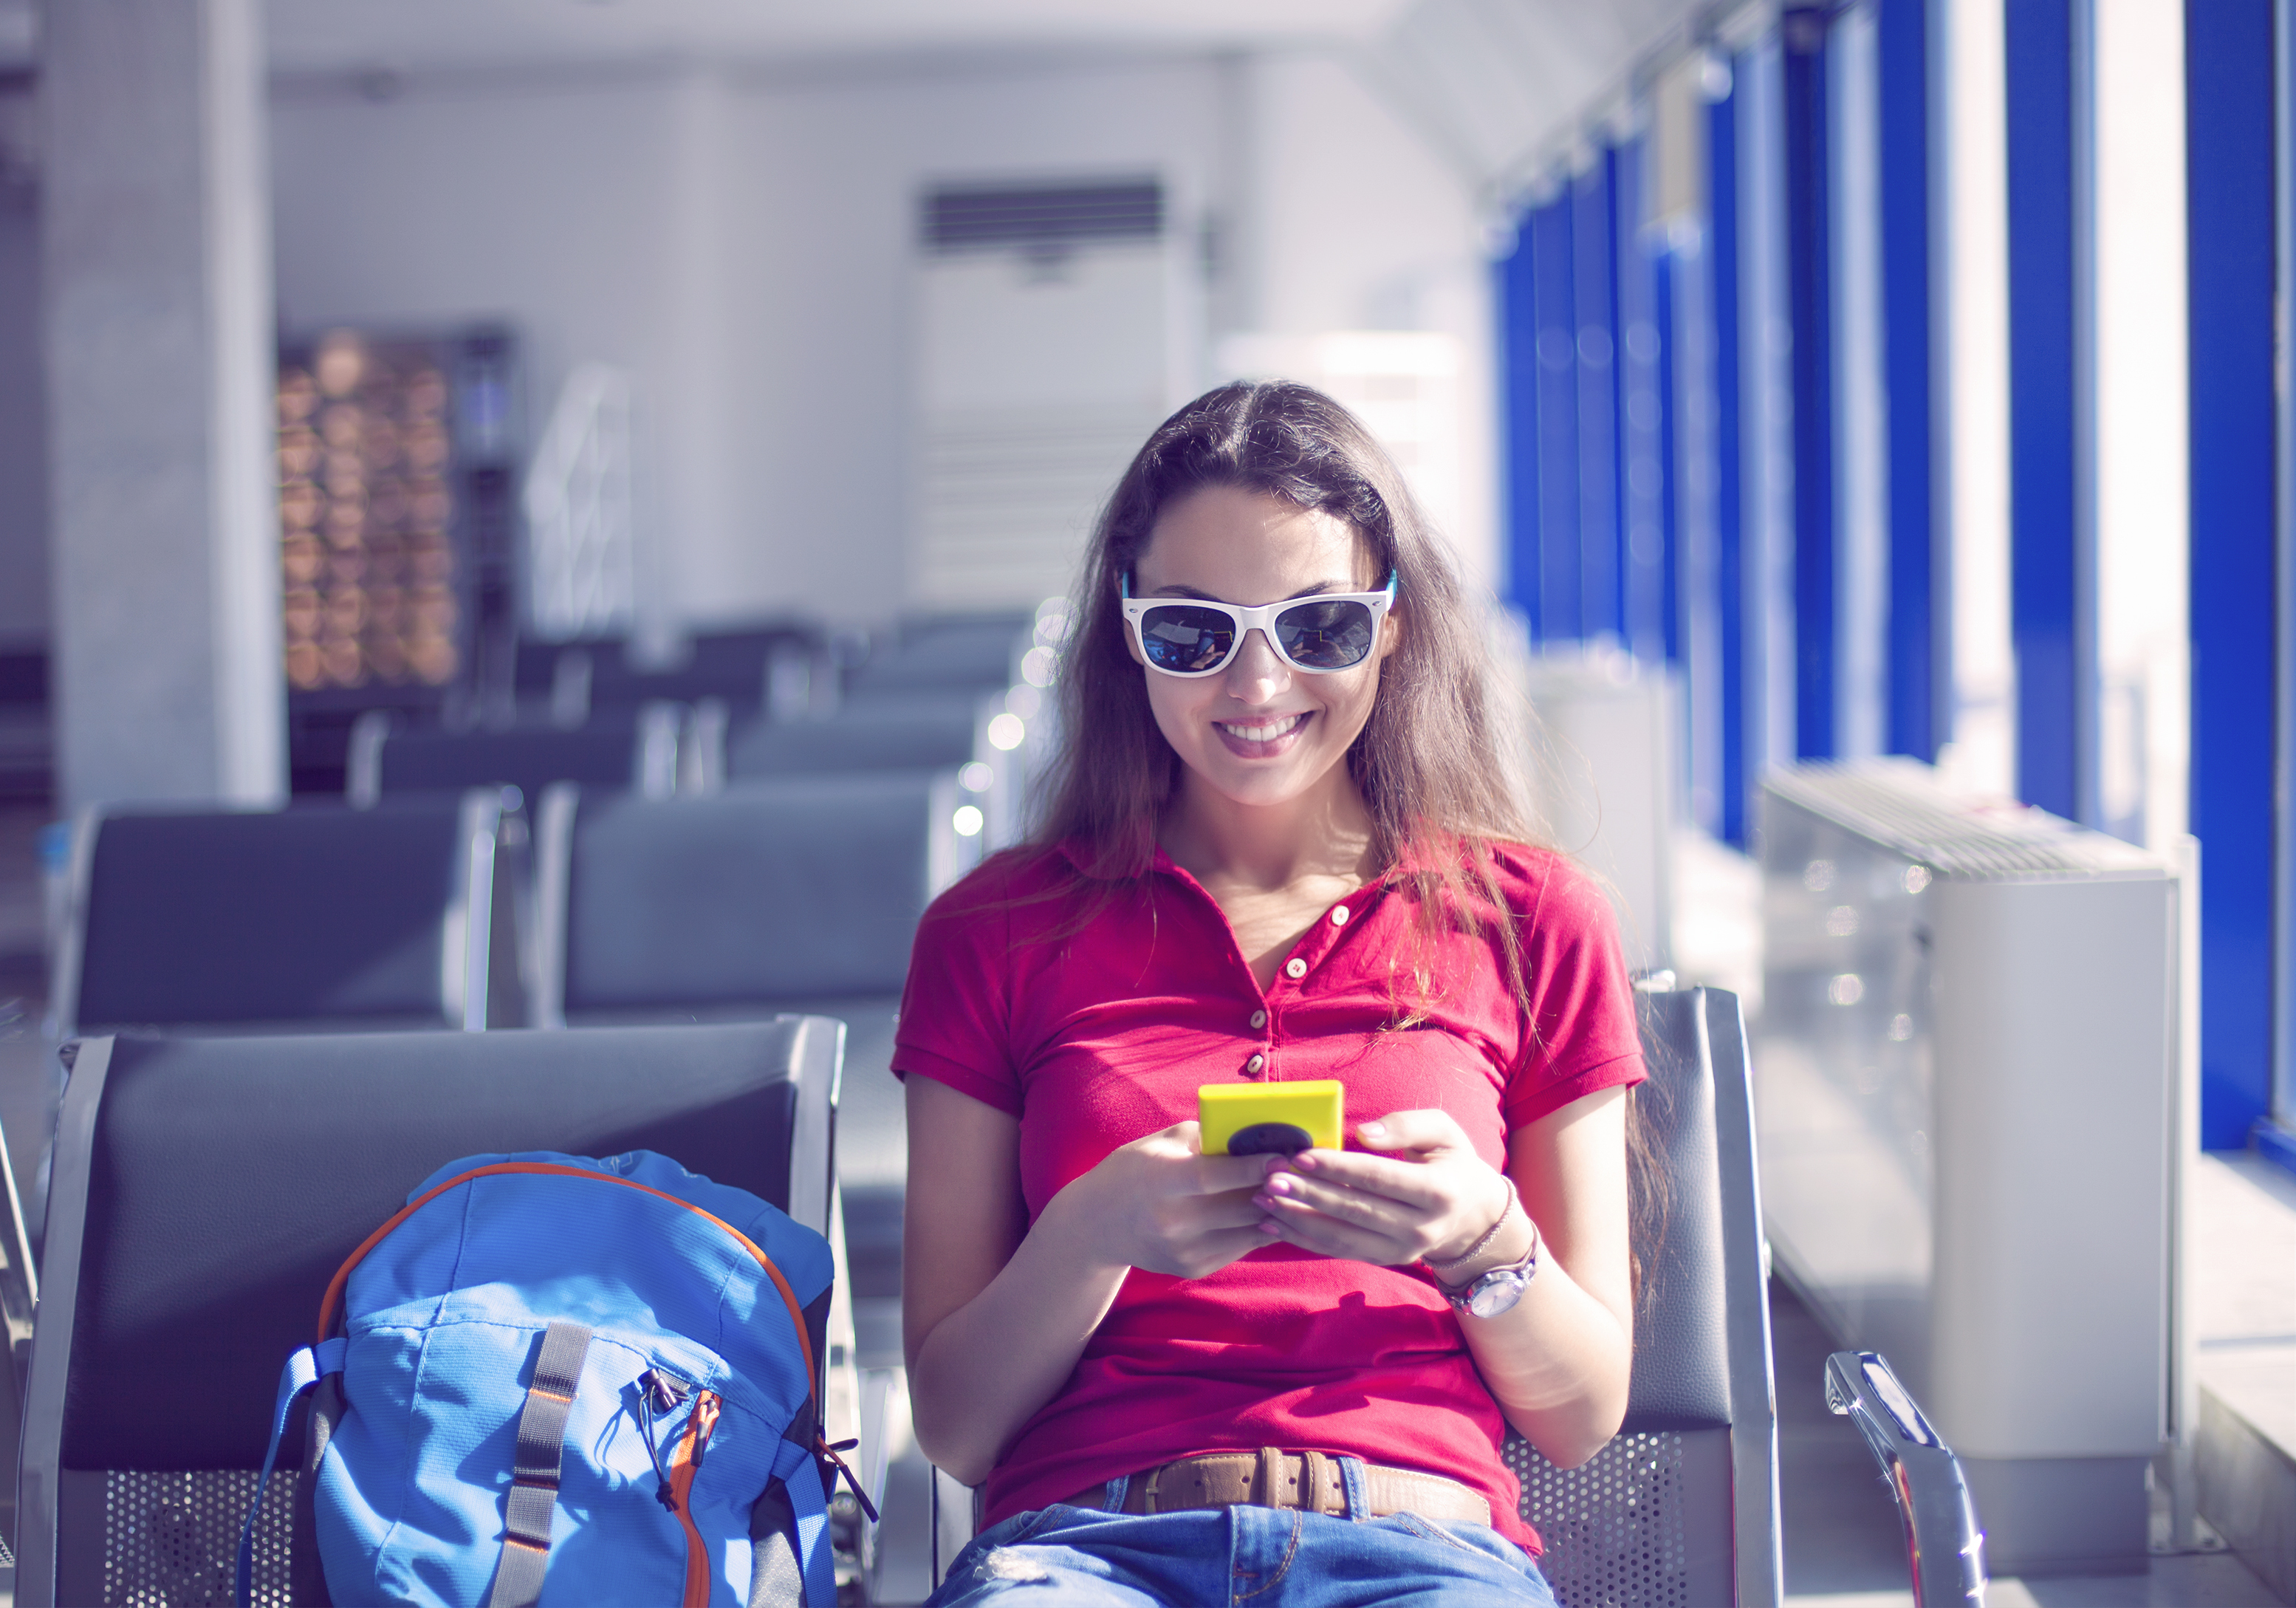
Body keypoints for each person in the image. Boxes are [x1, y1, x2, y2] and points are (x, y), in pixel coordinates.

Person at [893, 380, 1645, 1607]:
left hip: (1418, 1549)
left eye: (1319, 627)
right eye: (1195, 632)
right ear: (1127, 631)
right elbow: (958, 1429)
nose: (1257, 682)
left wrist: (1481, 1240)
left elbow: (1581, 1411)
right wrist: (1090, 1233)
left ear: (1391, 626)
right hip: (1084, 1550)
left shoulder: (1535, 918)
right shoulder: (993, 932)